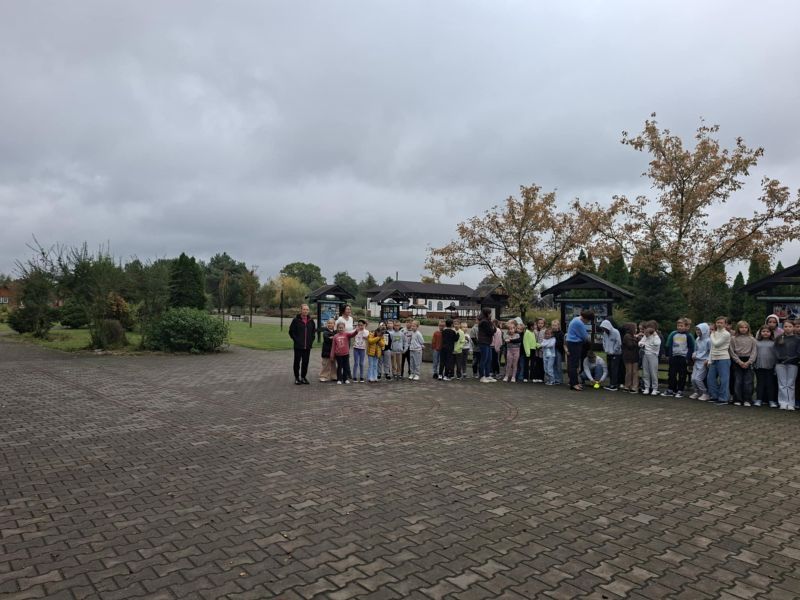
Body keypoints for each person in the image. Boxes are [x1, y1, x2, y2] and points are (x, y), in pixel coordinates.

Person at [664, 317, 695, 398]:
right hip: (674, 357)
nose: (679, 327)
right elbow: (670, 345)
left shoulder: (688, 336)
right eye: (678, 326)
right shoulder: (674, 334)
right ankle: (671, 389)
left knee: (682, 375)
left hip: (683, 358)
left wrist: (687, 358)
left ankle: (680, 390)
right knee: (671, 374)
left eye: (681, 326)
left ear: (686, 326)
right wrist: (669, 356)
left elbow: (691, 348)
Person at [729, 320, 757, 406]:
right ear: (738, 328)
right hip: (737, 361)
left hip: (748, 360)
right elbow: (731, 351)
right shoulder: (733, 338)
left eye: (745, 327)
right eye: (741, 327)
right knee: (738, 381)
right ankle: (737, 399)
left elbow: (754, 351)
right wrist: (739, 362)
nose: (743, 329)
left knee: (748, 381)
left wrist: (749, 362)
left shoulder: (752, 339)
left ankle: (747, 399)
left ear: (748, 328)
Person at [707, 316, 732, 405]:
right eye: (718, 322)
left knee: (724, 380)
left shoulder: (726, 334)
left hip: (723, 358)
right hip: (714, 358)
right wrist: (709, 360)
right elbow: (712, 348)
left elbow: (716, 344)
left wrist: (711, 335)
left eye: (721, 323)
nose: (719, 324)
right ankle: (714, 396)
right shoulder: (715, 333)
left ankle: (723, 398)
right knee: (710, 378)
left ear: (725, 324)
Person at [288, 303, 316, 385]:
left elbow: (313, 332)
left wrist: (310, 341)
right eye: (304, 309)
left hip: (307, 346)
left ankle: (303, 377)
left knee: (305, 362)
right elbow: (291, 332)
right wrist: (297, 340)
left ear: (308, 311)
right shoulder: (296, 320)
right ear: (301, 310)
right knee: (297, 362)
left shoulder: (311, 321)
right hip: (298, 346)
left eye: (307, 309)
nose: (305, 311)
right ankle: (297, 378)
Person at [774, 320, 799, 410]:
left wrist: (791, 358)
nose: (788, 328)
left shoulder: (797, 339)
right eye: (786, 326)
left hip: (793, 363)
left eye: (790, 326)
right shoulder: (779, 338)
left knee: (791, 384)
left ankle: (791, 403)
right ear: (783, 327)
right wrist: (780, 358)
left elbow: (798, 352)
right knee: (782, 383)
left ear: (793, 327)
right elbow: (775, 350)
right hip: (780, 363)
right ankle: (783, 402)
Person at [566, 310, 593, 391]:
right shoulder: (579, 323)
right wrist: (588, 341)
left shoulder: (576, 319)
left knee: (573, 363)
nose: (588, 322)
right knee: (573, 364)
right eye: (588, 320)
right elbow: (584, 336)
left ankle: (575, 382)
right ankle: (573, 384)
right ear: (586, 318)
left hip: (572, 343)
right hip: (575, 343)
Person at [754, 326, 777, 407]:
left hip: (770, 366)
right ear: (760, 333)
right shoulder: (756, 342)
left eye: (767, 331)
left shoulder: (774, 343)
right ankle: (759, 399)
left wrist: (775, 365)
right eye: (763, 331)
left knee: (770, 384)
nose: (765, 333)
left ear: (771, 333)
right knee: (760, 383)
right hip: (759, 366)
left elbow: (776, 355)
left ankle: (771, 400)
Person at [638, 321, 661, 395]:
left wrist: (655, 335)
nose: (647, 329)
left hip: (653, 356)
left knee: (653, 373)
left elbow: (657, 343)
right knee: (646, 372)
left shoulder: (656, 336)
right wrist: (642, 344)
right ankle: (647, 387)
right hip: (645, 355)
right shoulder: (646, 336)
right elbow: (640, 342)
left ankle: (655, 388)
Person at [690, 323, 711, 401]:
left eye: (699, 330)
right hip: (697, 361)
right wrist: (694, 354)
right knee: (693, 379)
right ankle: (696, 392)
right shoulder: (697, 339)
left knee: (698, 379)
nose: (697, 331)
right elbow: (696, 349)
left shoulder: (709, 340)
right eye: (697, 330)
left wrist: (708, 359)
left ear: (704, 330)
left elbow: (711, 351)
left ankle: (705, 393)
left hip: (703, 362)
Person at [599, 319, 622, 391]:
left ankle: (614, 385)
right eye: (603, 328)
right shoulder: (605, 333)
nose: (604, 330)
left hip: (616, 354)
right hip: (608, 353)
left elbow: (618, 343)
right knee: (609, 368)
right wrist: (606, 349)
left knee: (614, 369)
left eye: (604, 328)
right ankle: (611, 383)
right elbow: (604, 342)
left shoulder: (616, 332)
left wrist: (614, 351)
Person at [477, 308, 497, 383]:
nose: (491, 314)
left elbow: (492, 330)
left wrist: (493, 327)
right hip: (483, 342)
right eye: (490, 313)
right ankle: (482, 376)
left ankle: (487, 375)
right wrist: (494, 328)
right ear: (487, 314)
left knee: (489, 359)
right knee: (484, 359)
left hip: (487, 343)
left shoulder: (487, 321)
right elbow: (491, 332)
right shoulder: (484, 322)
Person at [621, 323, 640, 394]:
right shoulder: (627, 336)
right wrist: (637, 340)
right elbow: (630, 345)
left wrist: (636, 338)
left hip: (635, 356)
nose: (636, 329)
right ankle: (627, 386)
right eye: (635, 328)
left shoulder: (633, 336)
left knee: (635, 372)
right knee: (629, 372)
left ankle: (634, 387)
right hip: (628, 357)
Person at [551, 319, 565, 385]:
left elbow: (562, 343)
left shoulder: (561, 333)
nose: (554, 327)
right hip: (552, 350)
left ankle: (560, 379)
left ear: (558, 326)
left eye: (555, 325)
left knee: (558, 365)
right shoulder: (551, 333)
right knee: (553, 365)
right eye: (553, 325)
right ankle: (555, 378)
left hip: (558, 351)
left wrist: (554, 343)